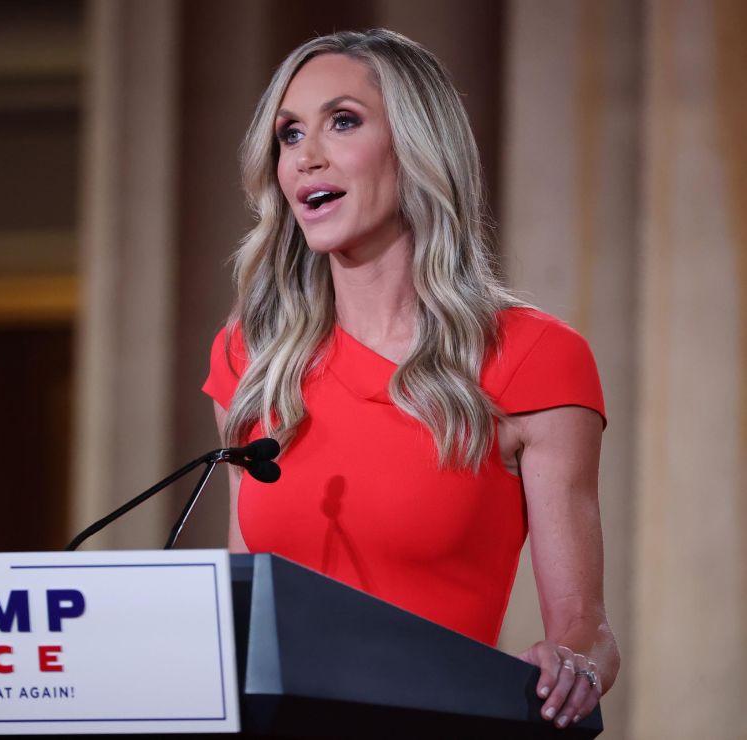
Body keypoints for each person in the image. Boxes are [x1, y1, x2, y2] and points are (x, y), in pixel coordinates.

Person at [202, 29, 619, 730]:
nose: (307, 156)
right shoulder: (252, 357)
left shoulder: (532, 354)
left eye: (342, 122)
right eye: (289, 134)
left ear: (416, 147)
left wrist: (572, 665)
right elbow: (247, 612)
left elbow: (587, 630)